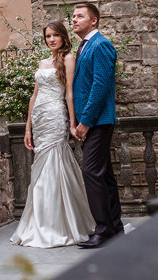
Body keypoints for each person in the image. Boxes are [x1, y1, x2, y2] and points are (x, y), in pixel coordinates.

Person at [11, 20, 95, 248]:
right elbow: (33, 97)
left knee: (55, 163)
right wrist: (27, 128)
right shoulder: (42, 61)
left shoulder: (68, 58)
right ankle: (41, 221)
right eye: (48, 36)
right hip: (39, 119)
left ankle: (58, 225)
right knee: (40, 166)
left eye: (55, 35)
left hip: (56, 116)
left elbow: (69, 93)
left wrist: (72, 123)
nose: (51, 40)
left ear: (63, 37)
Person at [71, 2, 123, 248]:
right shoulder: (85, 46)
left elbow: (100, 86)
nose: (74, 19)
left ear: (94, 21)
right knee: (104, 175)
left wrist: (85, 122)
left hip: (98, 121)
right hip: (93, 121)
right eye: (72, 16)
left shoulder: (100, 44)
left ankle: (103, 230)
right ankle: (115, 227)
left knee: (91, 172)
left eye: (80, 16)